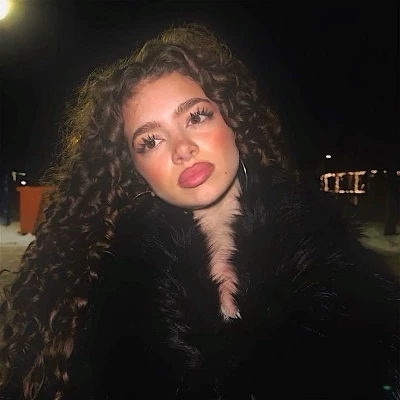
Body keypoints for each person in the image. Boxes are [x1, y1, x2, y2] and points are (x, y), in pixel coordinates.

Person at [0, 22, 398, 400]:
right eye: (150, 140)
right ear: (135, 171)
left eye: (196, 116)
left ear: (233, 120)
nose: (182, 148)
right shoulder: (100, 293)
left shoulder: (333, 256)